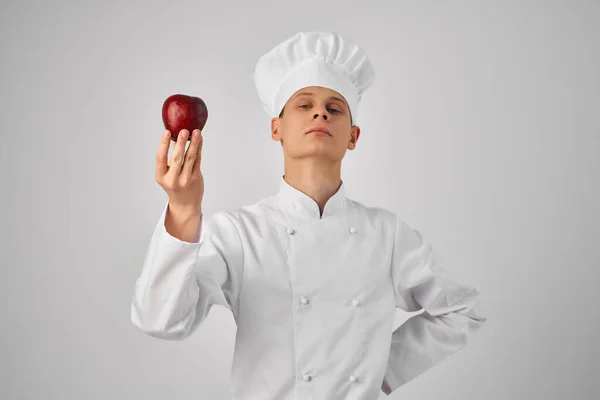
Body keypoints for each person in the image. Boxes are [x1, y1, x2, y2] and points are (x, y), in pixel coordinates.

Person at [131, 31, 487, 399]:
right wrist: (184, 209)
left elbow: (463, 310)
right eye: (304, 105)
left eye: (334, 108)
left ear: (352, 135)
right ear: (276, 128)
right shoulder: (239, 233)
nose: (320, 112)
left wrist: (382, 369)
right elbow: (161, 321)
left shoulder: (388, 235)